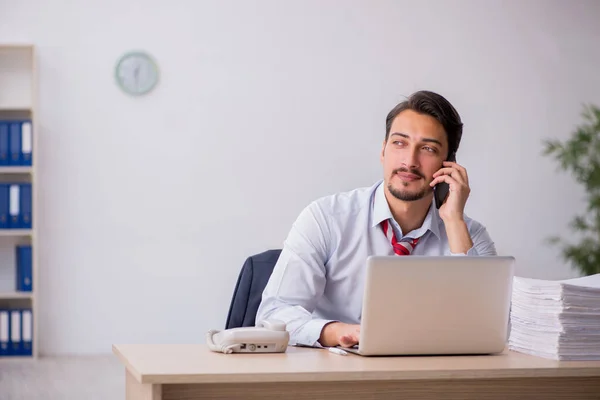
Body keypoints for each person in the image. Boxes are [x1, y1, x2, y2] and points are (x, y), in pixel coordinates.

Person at [255, 90, 497, 349]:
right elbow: (274, 314)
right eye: (399, 143)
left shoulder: (470, 235)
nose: (409, 161)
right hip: (335, 375)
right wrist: (338, 332)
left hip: (430, 378)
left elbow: (491, 327)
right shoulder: (326, 219)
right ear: (383, 150)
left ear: (448, 164)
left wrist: (453, 222)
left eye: (427, 148)